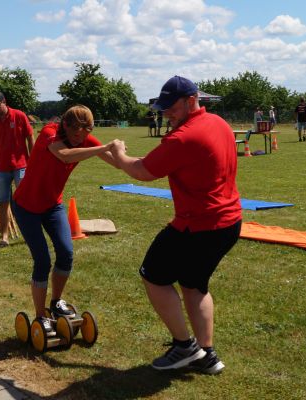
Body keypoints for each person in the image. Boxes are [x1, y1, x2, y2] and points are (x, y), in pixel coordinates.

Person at [110, 76, 242, 374]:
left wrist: (119, 154)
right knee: (194, 285)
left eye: (172, 107)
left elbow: (143, 171)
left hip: (199, 225)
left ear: (191, 100)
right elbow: (164, 161)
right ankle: (207, 355)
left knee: (153, 275)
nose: (166, 113)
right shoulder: (219, 124)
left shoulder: (183, 137)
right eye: (164, 107)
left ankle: (185, 346)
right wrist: (122, 159)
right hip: (229, 222)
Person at [12, 105, 119, 332]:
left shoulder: (86, 139)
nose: (81, 137)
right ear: (66, 125)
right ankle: (40, 315)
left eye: (86, 132)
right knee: (42, 260)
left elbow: (117, 161)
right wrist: (103, 147)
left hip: (52, 206)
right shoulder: (49, 133)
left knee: (66, 252)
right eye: (77, 132)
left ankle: (56, 302)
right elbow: (63, 154)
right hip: (26, 207)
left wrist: (150, 162)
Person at [0, 91, 34, 246]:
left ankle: (30, 234)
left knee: (25, 202)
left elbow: (30, 137)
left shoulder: (19, 115)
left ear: (4, 102)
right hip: (2, 169)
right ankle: (4, 237)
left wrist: (33, 161)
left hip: (21, 166)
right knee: (3, 202)